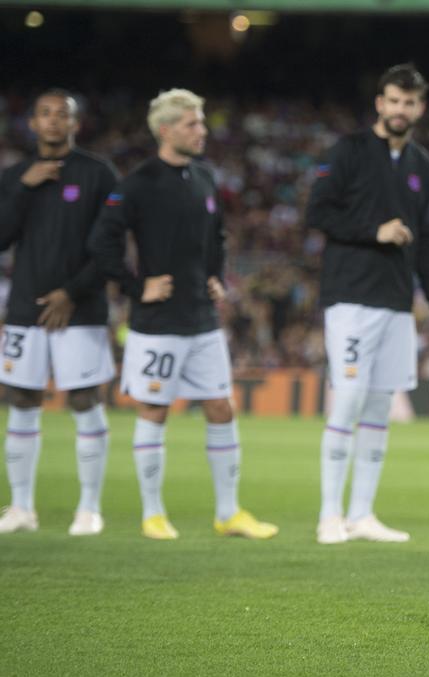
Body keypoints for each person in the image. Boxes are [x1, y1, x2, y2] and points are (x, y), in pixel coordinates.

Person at [88, 88, 277, 540]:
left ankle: (228, 513)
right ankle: (153, 513)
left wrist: (216, 274)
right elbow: (101, 244)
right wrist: (137, 286)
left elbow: (217, 237)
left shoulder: (205, 177)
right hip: (156, 324)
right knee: (155, 409)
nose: (202, 131)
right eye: (193, 124)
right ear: (165, 129)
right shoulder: (138, 183)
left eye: (202, 122)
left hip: (201, 318)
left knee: (221, 406)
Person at [305, 63, 429, 545]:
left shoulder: (421, 166)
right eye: (393, 100)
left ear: (419, 108)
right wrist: (375, 231)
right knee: (347, 399)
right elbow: (317, 212)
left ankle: (362, 514)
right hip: (350, 296)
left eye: (409, 103)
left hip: (395, 303)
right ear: (380, 103)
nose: (400, 109)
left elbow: (427, 237)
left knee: (378, 406)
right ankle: (330, 515)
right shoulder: (347, 151)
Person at [0, 89, 118, 536]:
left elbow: (109, 245)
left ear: (75, 124)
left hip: (81, 309)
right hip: (25, 308)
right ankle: (21, 508)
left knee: (85, 400)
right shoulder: (15, 176)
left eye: (62, 115)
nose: (52, 121)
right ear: (32, 122)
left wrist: (72, 291)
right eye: (44, 113)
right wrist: (23, 190)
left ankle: (89, 509)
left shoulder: (98, 173)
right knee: (22, 400)